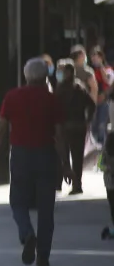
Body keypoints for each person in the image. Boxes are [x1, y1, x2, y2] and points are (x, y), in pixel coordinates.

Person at [0, 57, 71, 266]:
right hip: (46, 155)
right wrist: (65, 163)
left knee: (17, 201)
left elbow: (1, 130)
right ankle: (43, 256)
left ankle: (27, 233)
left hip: (20, 155)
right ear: (45, 76)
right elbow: (60, 135)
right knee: (46, 208)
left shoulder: (12, 97)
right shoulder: (52, 99)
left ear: (26, 76)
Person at [54, 62, 94, 195]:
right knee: (77, 157)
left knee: (62, 155)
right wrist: (88, 120)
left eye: (63, 72)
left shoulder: (61, 89)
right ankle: (77, 185)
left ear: (69, 73)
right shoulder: (80, 87)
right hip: (79, 127)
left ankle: (59, 183)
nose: (61, 74)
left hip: (65, 127)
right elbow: (91, 104)